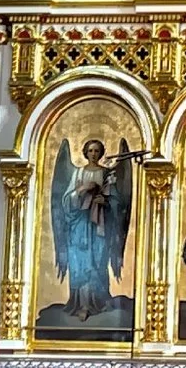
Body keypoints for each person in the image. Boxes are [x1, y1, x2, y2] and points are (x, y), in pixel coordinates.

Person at [49, 137, 133, 322]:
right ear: (85, 153)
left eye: (97, 151)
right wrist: (78, 193)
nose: (93, 154)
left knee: (98, 261)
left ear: (101, 153)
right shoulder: (78, 173)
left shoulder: (106, 174)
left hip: (100, 226)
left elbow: (119, 202)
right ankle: (82, 304)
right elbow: (65, 200)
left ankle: (99, 301)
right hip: (79, 226)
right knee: (81, 262)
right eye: (91, 151)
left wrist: (107, 201)